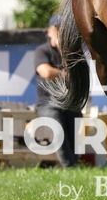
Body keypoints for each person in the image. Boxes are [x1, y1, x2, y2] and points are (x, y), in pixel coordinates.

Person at [33, 14, 80, 168]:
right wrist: (67, 75)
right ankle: (70, 167)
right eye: (57, 29)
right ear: (49, 31)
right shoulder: (42, 51)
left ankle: (75, 166)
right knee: (58, 130)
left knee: (75, 133)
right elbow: (45, 72)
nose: (61, 33)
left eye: (64, 29)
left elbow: (81, 75)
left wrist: (64, 51)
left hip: (70, 101)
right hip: (48, 103)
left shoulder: (73, 52)